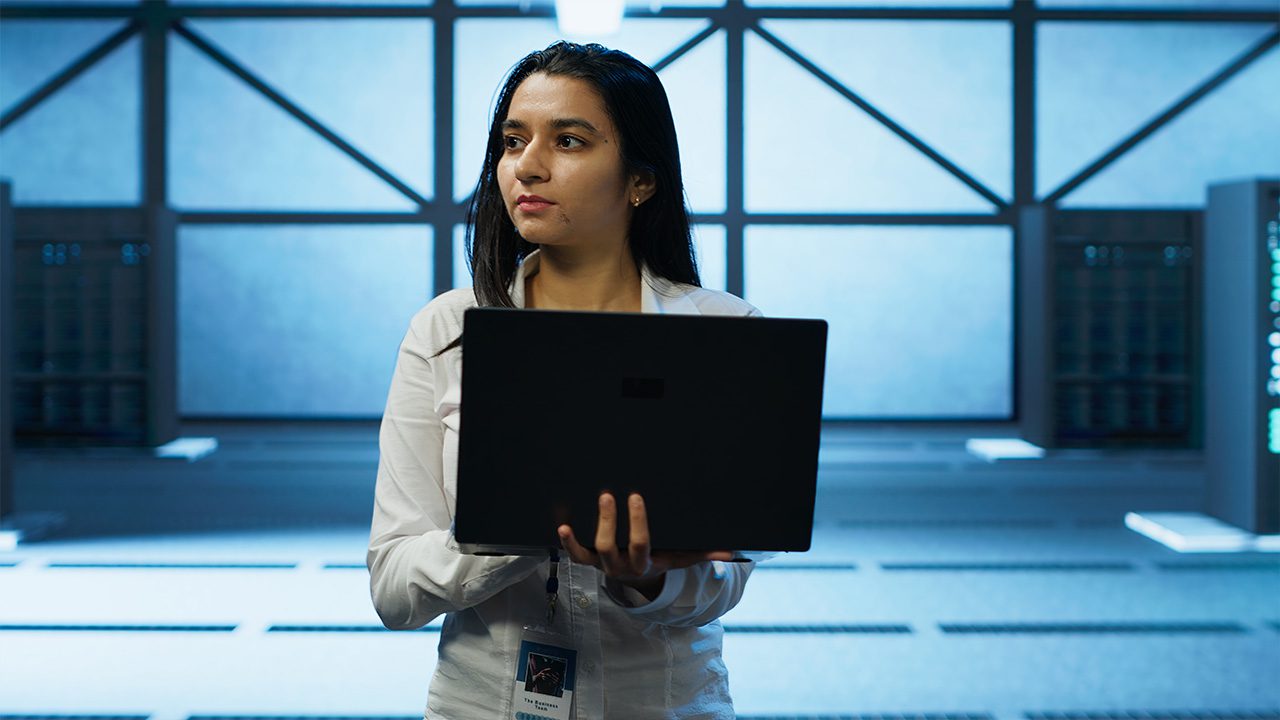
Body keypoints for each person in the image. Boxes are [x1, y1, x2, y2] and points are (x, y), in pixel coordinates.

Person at [367, 41, 761, 719]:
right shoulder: (446, 330)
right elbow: (395, 590)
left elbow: (727, 575)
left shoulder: (722, 331)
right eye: (512, 141)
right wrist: (519, 525)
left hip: (666, 705)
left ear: (641, 179)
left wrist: (644, 581)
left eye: (569, 140)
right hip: (482, 705)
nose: (529, 165)